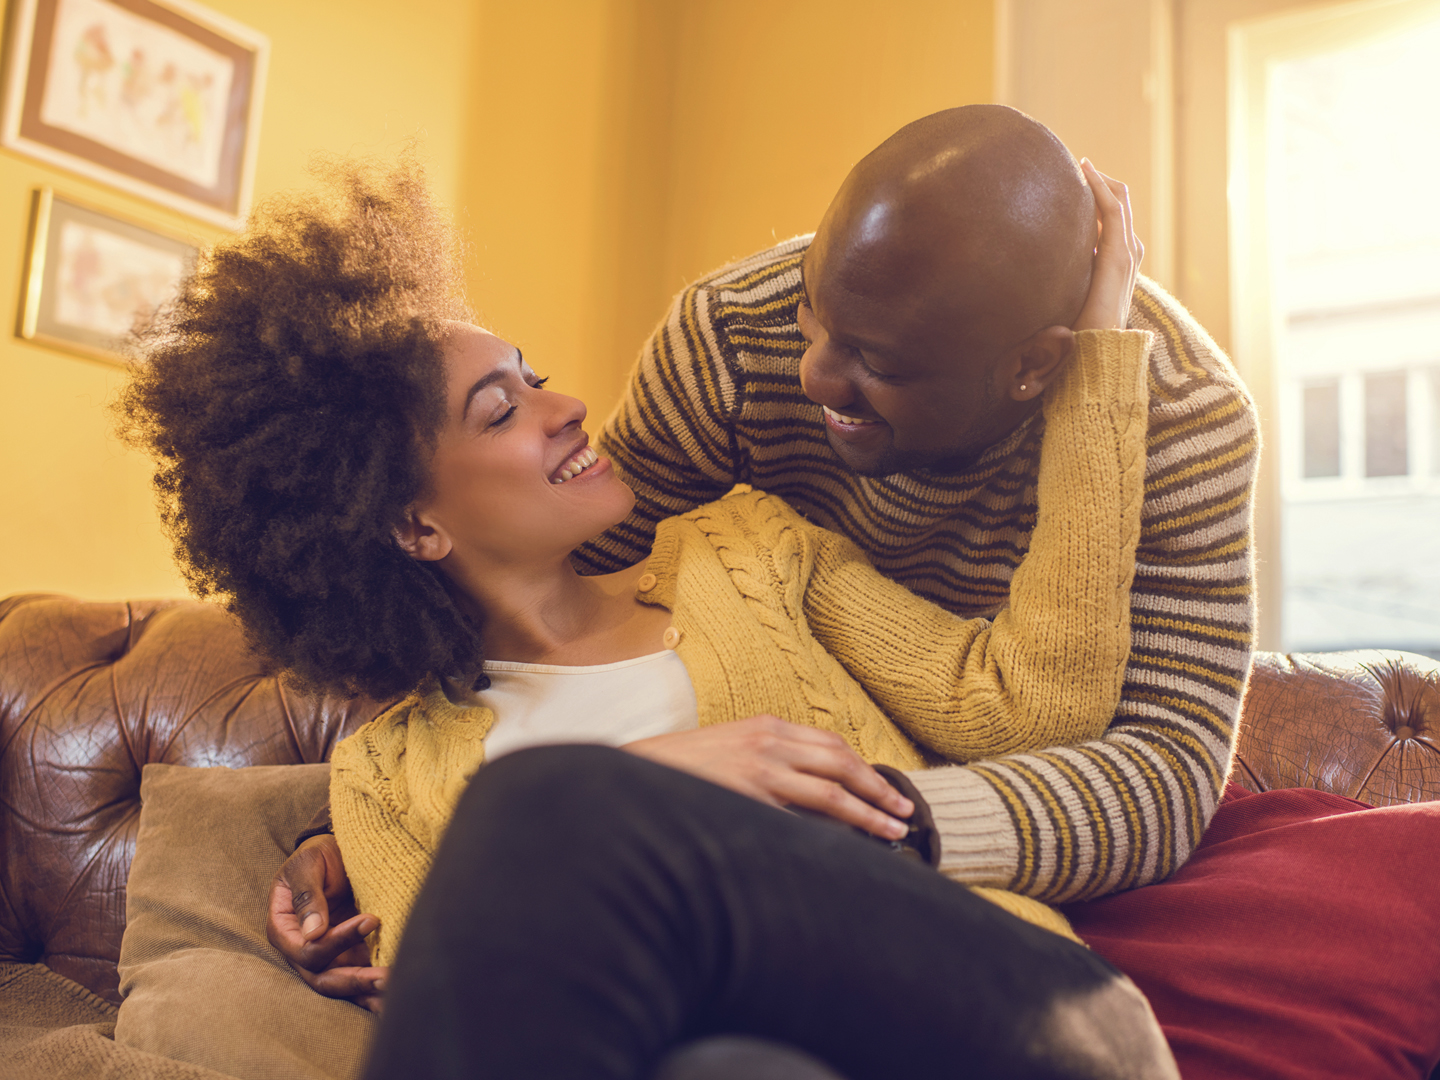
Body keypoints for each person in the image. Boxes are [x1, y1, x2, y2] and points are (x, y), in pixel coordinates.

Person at [118, 153, 1180, 1077]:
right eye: (504, 408)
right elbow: (474, 1002)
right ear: (415, 526)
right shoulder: (381, 775)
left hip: (1010, 1012)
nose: (568, 403)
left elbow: (1034, 708)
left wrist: (1096, 359)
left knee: (530, 808)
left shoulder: (743, 553)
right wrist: (669, 776)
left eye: (532, 376)